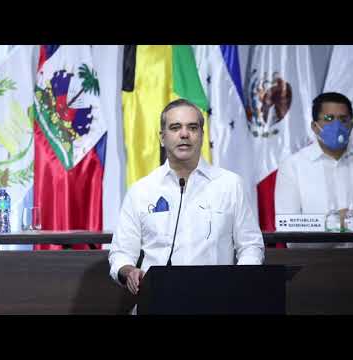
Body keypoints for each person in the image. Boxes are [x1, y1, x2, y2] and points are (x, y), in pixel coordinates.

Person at [109, 98, 264, 296]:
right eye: (175, 127)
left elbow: (251, 245)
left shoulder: (230, 185)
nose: (184, 134)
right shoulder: (142, 190)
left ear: (201, 135)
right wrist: (130, 272)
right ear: (162, 137)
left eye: (192, 127)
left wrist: (238, 283)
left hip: (218, 300)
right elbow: (120, 254)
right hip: (158, 300)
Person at [274, 92, 353, 248]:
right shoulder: (292, 166)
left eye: (343, 120)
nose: (337, 126)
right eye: (329, 119)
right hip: (311, 265)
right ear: (314, 127)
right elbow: (287, 230)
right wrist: (333, 224)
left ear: (351, 125)